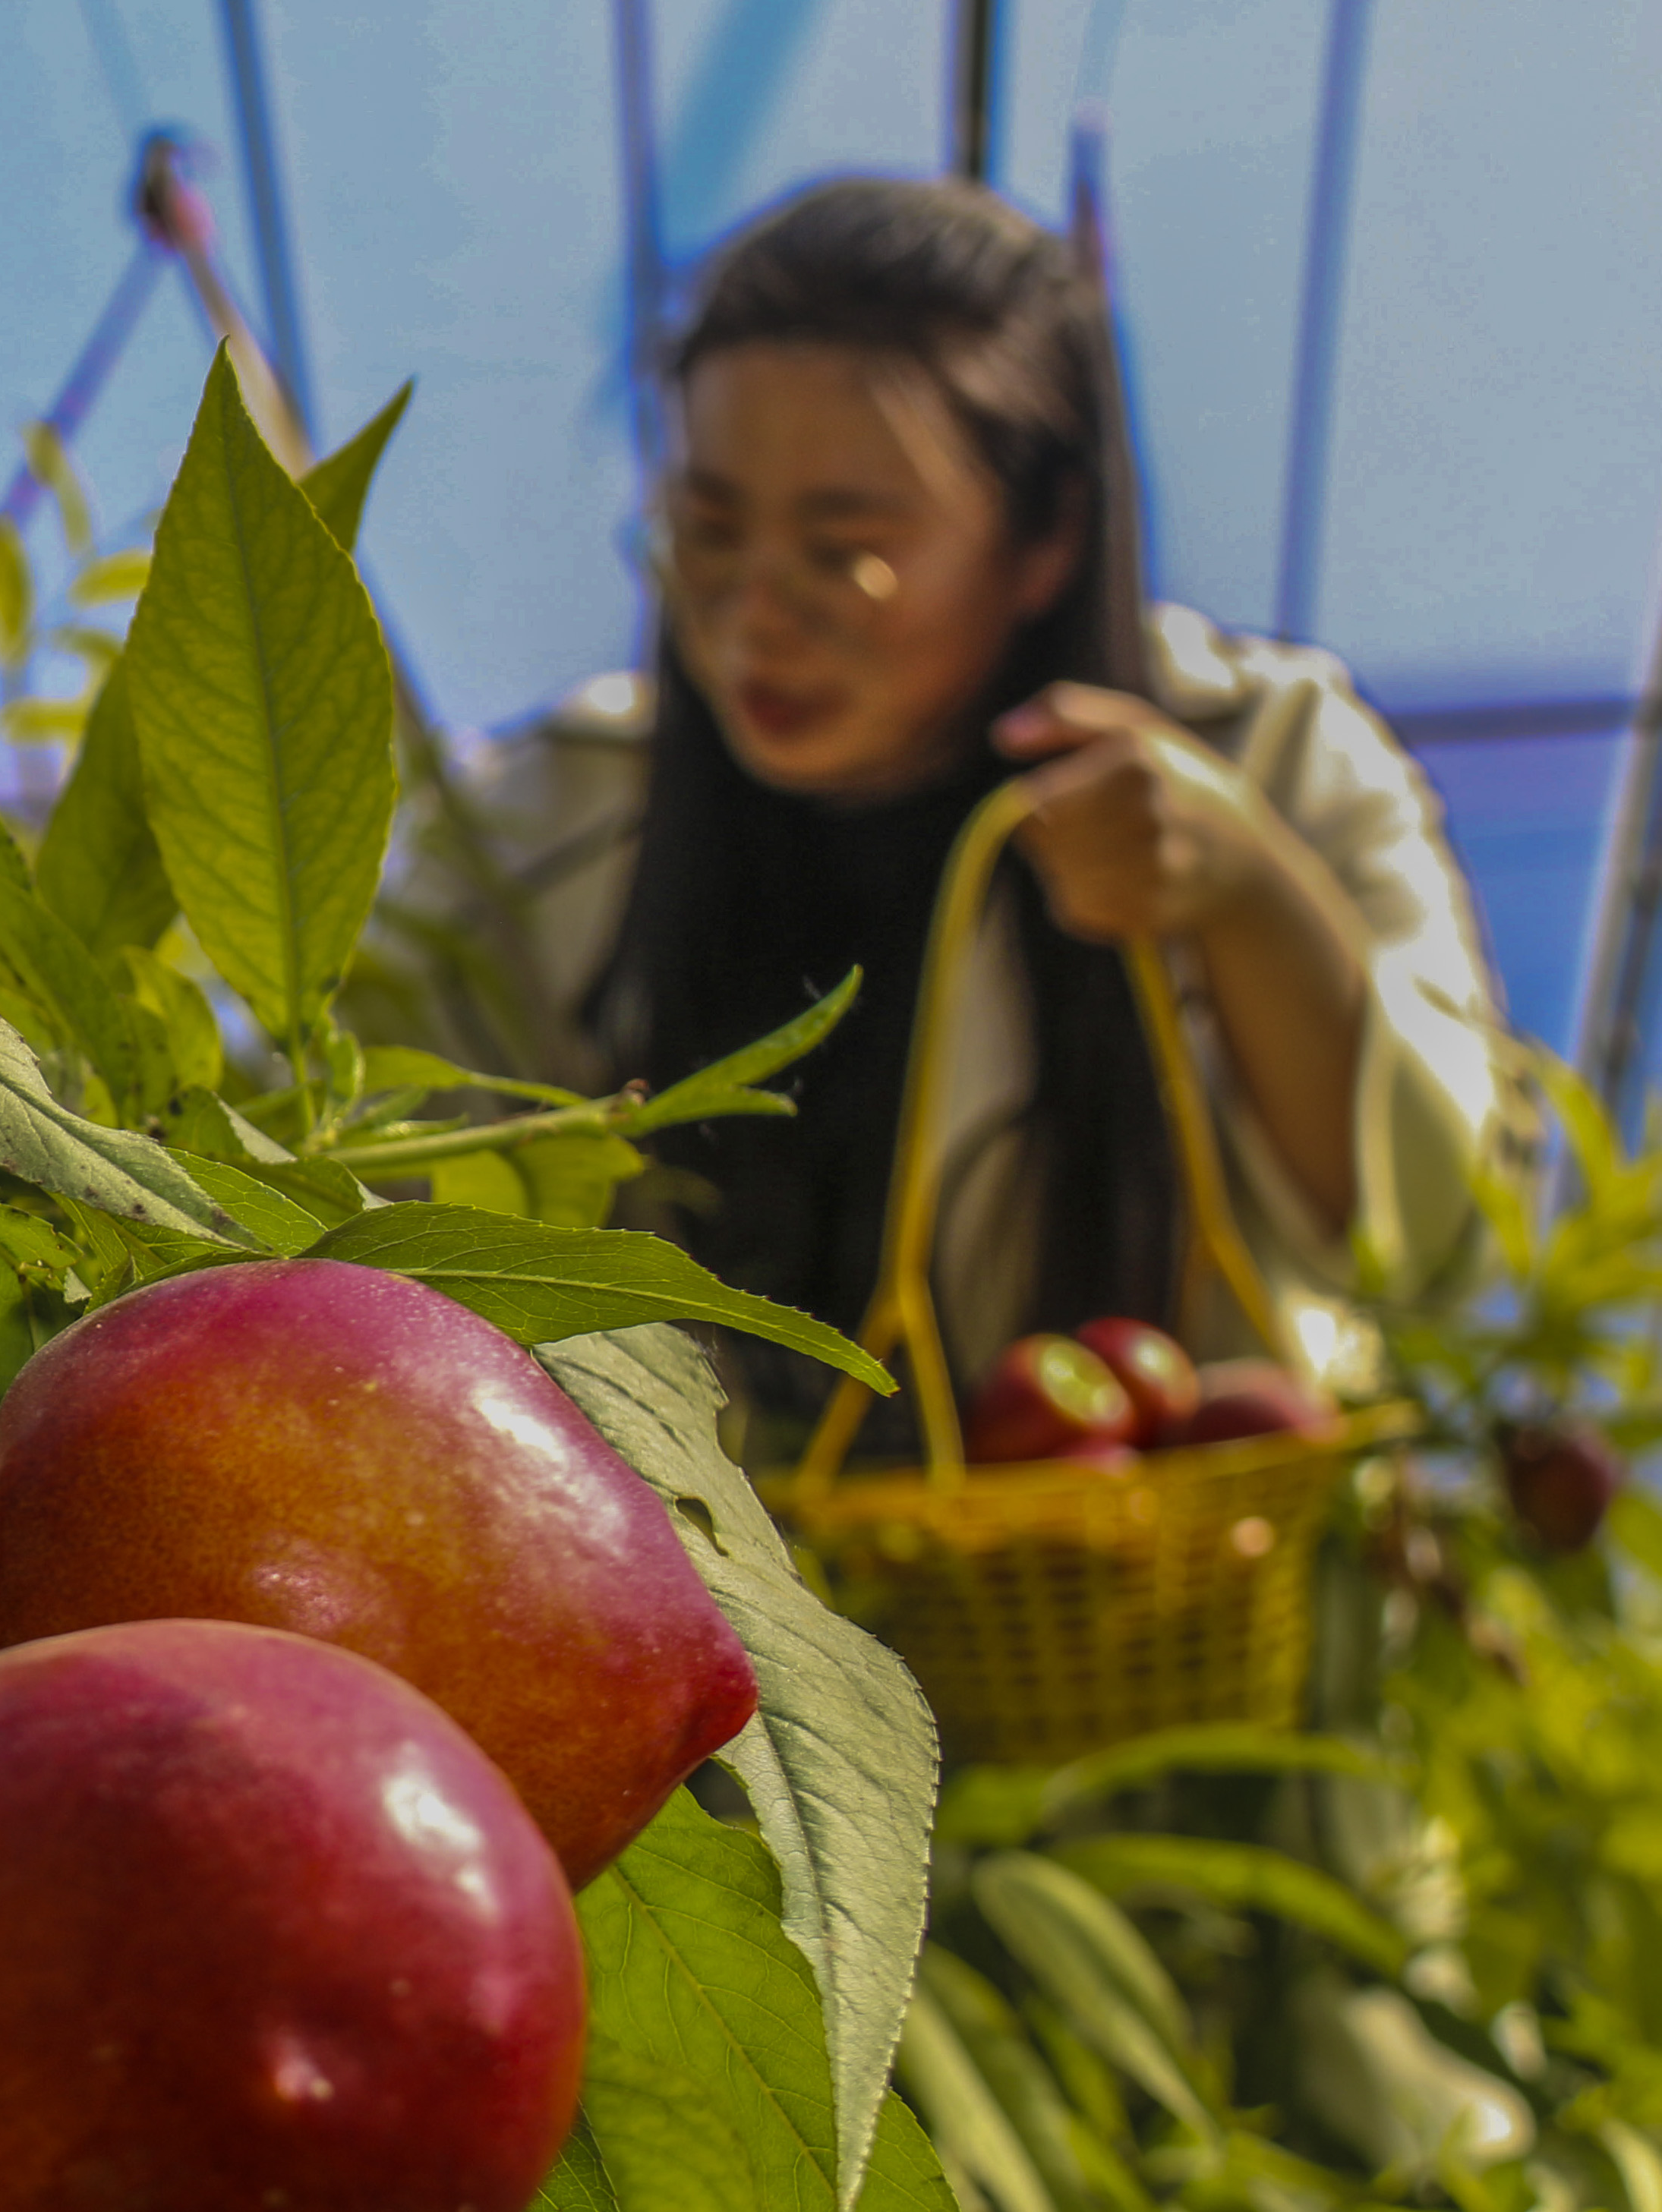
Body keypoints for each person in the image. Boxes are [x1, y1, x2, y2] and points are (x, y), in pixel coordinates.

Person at [447, 177, 1511, 1435]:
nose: (752, 616)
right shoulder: (546, 819)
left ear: (1046, 535)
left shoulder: (1267, 750)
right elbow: (334, 1160)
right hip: (732, 1615)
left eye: (845, 551)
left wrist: (1251, 897)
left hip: (1181, 1602)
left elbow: (1445, 1247)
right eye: (707, 530)